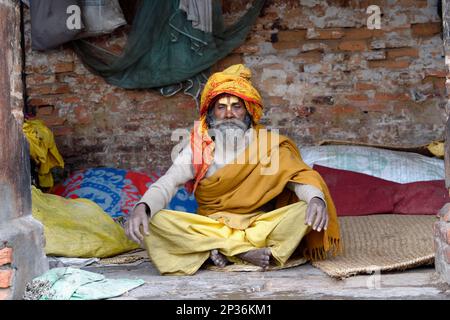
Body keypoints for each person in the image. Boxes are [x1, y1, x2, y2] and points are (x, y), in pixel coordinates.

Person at [125, 64, 341, 275]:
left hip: (258, 225)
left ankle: (221, 249)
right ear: (211, 115)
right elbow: (168, 182)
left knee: (304, 210)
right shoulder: (199, 148)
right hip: (212, 225)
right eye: (221, 107)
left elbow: (298, 179)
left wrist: (315, 199)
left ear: (248, 112)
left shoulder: (267, 144)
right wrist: (142, 207)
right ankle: (242, 251)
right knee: (155, 221)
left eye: (236, 106)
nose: (229, 114)